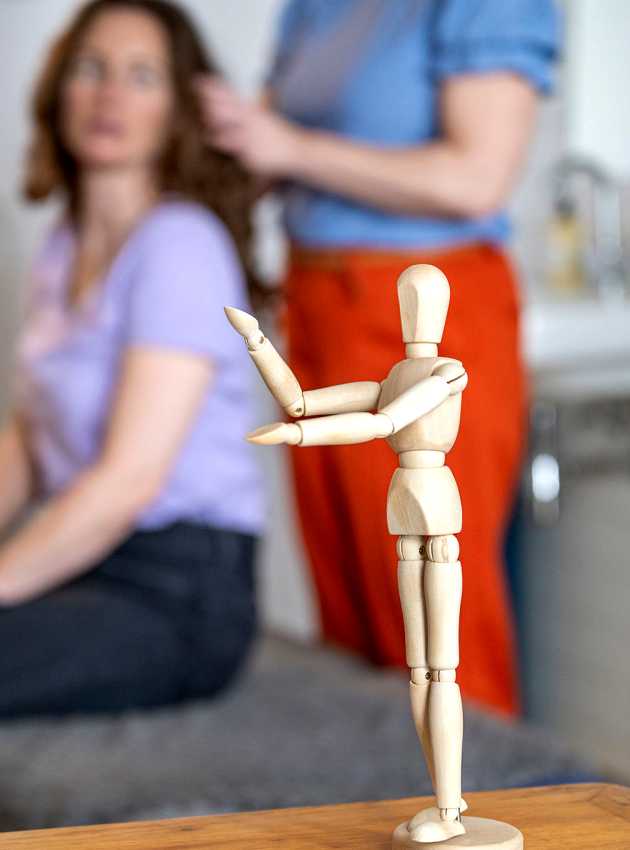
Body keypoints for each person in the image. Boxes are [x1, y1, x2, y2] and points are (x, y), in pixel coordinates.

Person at [198, 0, 560, 715]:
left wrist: (291, 149)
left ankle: (481, 803)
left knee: (432, 612)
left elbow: (477, 178)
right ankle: (381, 807)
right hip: (314, 306)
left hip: (424, 312)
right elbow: (263, 147)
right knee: (349, 612)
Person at [0, 0, 264, 716]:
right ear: (59, 91)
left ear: (178, 108)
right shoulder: (61, 247)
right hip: (93, 560)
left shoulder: (180, 244)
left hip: (180, 588)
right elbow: (29, 439)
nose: (110, 94)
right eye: (92, 69)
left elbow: (128, 482)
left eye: (141, 76)